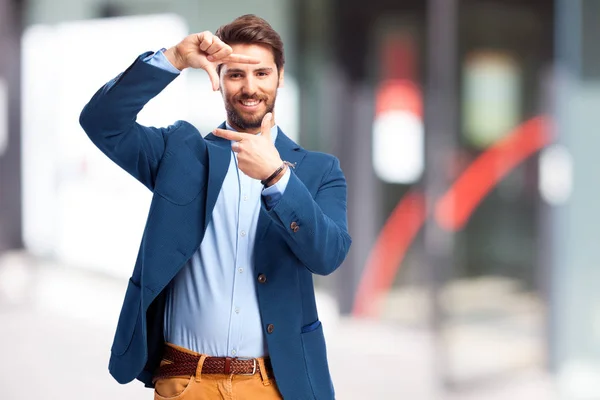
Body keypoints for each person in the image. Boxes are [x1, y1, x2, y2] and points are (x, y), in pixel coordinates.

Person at [79, 14, 351, 400]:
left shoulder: (318, 170)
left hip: (273, 386)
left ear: (280, 76)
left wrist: (276, 177)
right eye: (236, 74)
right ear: (218, 78)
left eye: (262, 73)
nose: (250, 87)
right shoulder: (181, 153)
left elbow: (328, 256)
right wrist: (172, 58)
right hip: (186, 383)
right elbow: (101, 122)